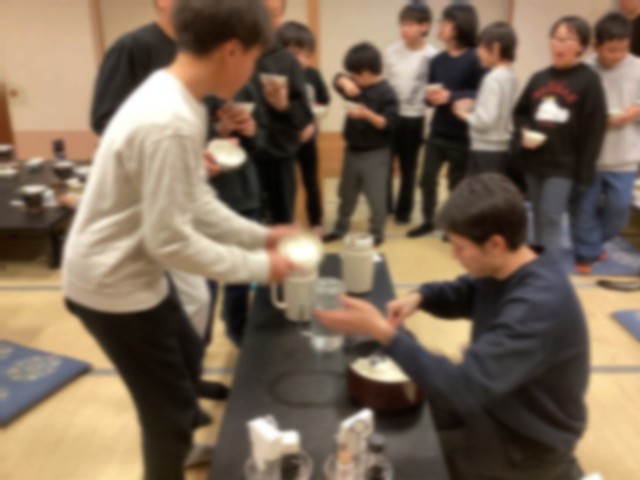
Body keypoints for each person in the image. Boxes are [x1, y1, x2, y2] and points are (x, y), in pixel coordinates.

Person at [62, 1, 298, 478]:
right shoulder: (168, 119)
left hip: (133, 270)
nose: (253, 72)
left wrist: (262, 236)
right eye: (254, 58)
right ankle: (173, 448)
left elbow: (197, 201)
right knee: (167, 416)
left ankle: (179, 434)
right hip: (110, 283)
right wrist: (262, 267)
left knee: (189, 354)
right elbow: (170, 242)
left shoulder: (178, 96)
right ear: (231, 50)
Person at [317, 174, 589, 480]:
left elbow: (462, 387)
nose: (454, 255)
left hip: (526, 442)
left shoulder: (538, 305)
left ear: (496, 244)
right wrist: (421, 297)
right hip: (493, 402)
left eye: (460, 247)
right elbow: (467, 291)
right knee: (396, 417)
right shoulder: (509, 266)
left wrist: (383, 333)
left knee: (405, 463)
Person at [89, 0, 232, 403]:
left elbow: (197, 114)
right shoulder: (132, 47)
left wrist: (220, 127)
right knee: (175, 299)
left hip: (185, 189)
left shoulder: (196, 48)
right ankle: (172, 387)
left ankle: (188, 377)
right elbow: (104, 118)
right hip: (143, 197)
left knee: (196, 297)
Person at [513, 16, 607, 255]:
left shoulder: (589, 80)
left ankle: (550, 268)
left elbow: (594, 129)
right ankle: (541, 263)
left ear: (581, 46)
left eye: (567, 39)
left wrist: (585, 173)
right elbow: (521, 112)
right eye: (556, 38)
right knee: (537, 214)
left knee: (551, 215)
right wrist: (524, 131)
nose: (559, 44)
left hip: (564, 165)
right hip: (534, 160)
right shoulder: (539, 78)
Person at [408, 4, 485, 238]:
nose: (440, 26)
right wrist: (430, 98)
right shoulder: (437, 60)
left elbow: (481, 93)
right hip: (438, 131)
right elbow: (431, 95)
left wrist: (451, 96)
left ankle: (453, 226)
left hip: (463, 134)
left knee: (456, 185)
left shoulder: (476, 57)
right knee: (426, 179)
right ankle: (428, 220)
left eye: (445, 22)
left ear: (460, 26)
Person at [572, 12, 640, 275]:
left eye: (623, 49)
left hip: (624, 156)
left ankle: (594, 241)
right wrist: (596, 118)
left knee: (618, 209)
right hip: (591, 156)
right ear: (596, 46)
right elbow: (575, 109)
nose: (617, 56)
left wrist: (635, 111)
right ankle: (587, 253)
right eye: (611, 50)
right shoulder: (586, 71)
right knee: (584, 207)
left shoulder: (637, 67)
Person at [205, 85, 266, 346]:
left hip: (246, 193)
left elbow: (261, 144)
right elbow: (178, 149)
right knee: (205, 283)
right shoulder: (193, 93)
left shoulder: (246, 88)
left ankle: (237, 330)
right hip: (209, 200)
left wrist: (252, 133)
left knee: (240, 275)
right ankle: (201, 341)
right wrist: (216, 133)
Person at [322, 43, 399, 246]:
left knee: (376, 197)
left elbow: (388, 124)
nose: (352, 78)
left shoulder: (387, 93)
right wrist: (344, 81)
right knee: (346, 194)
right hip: (352, 151)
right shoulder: (356, 87)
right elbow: (336, 79)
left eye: (354, 75)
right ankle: (340, 228)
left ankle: (377, 233)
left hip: (376, 154)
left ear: (365, 73)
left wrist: (367, 114)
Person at [252, 0, 313, 224]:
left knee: (283, 223)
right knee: (248, 224)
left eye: (274, 14)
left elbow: (304, 115)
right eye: (261, 11)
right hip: (245, 155)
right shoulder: (236, 52)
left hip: (280, 155)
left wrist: (284, 106)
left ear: (282, 17)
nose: (267, 19)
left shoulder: (287, 60)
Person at [385, 1, 438, 225]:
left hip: (415, 118)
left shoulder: (433, 56)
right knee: (386, 165)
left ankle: (404, 211)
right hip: (391, 116)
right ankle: (385, 207)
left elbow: (434, 91)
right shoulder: (391, 51)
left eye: (409, 24)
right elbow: (385, 85)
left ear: (424, 26)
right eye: (402, 24)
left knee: (409, 168)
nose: (404, 29)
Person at [277, 20, 331, 233]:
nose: (302, 60)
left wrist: (314, 121)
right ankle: (287, 222)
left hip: (308, 138)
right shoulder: (277, 76)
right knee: (286, 184)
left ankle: (316, 221)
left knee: (311, 181)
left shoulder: (313, 75)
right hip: (284, 140)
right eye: (296, 53)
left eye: (307, 55)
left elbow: (324, 100)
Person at [453, 22, 519, 177]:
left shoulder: (492, 79)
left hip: (485, 150)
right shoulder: (511, 76)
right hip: (501, 149)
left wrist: (464, 115)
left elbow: (484, 120)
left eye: (481, 47)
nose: (477, 52)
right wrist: (476, 104)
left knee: (479, 191)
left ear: (495, 48)